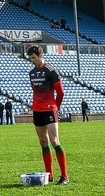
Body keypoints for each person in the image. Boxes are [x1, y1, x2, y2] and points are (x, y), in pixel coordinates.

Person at [27, 45, 69, 185]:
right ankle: (49, 176)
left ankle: (64, 176)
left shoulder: (51, 71)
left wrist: (55, 107)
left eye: (34, 57)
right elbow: (35, 91)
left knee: (55, 141)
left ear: (41, 54)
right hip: (37, 111)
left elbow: (60, 92)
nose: (32, 60)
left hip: (50, 110)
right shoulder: (32, 73)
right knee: (43, 143)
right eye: (30, 58)